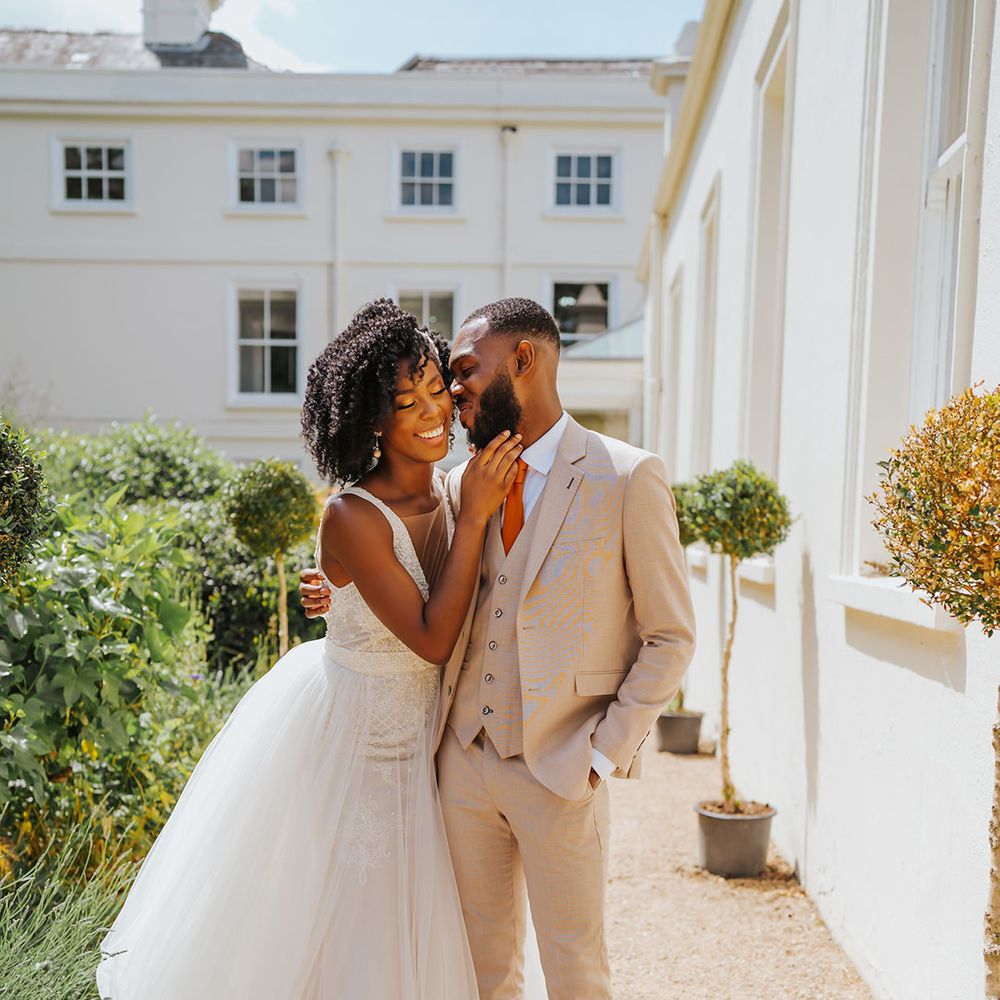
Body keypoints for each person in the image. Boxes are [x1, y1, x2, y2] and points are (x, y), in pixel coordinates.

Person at [97, 299, 524, 999]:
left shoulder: (452, 491)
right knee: (349, 937)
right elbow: (433, 640)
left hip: (433, 751)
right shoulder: (352, 515)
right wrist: (476, 514)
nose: (431, 414)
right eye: (404, 402)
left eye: (434, 392)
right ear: (370, 420)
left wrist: (468, 508)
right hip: (356, 751)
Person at [302, 297, 697, 999]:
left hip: (562, 768)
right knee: (483, 973)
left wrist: (603, 754)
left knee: (577, 975)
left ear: (524, 361)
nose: (451, 393)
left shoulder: (627, 476)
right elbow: (413, 569)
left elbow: (671, 636)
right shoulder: (459, 485)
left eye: (461, 373)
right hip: (461, 763)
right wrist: (337, 589)